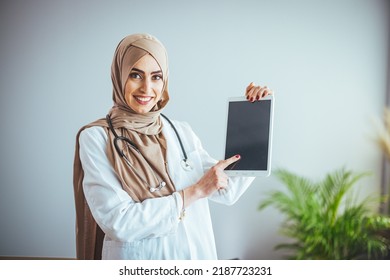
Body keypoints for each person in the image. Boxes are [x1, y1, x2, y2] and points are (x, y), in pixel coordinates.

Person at [73, 33, 273, 260]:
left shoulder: (180, 132)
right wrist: (194, 192)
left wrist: (257, 121)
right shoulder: (97, 138)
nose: (146, 88)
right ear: (119, 76)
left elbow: (227, 190)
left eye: (156, 77)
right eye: (135, 75)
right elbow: (119, 222)